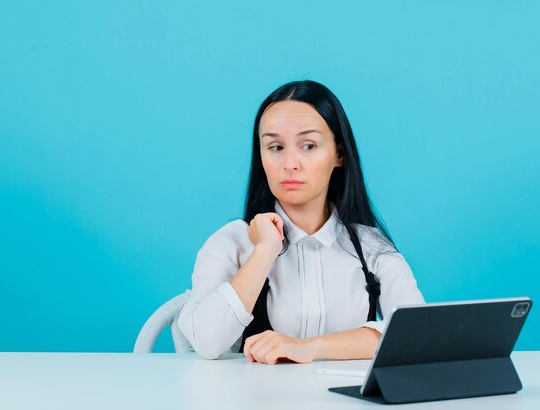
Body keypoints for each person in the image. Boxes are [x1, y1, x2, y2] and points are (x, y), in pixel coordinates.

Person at [178, 80, 424, 364]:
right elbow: (207, 342)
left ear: (339, 154)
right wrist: (264, 251)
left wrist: (310, 347)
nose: (290, 163)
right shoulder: (232, 242)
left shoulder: (371, 248)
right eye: (276, 147)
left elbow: (414, 335)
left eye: (308, 145)